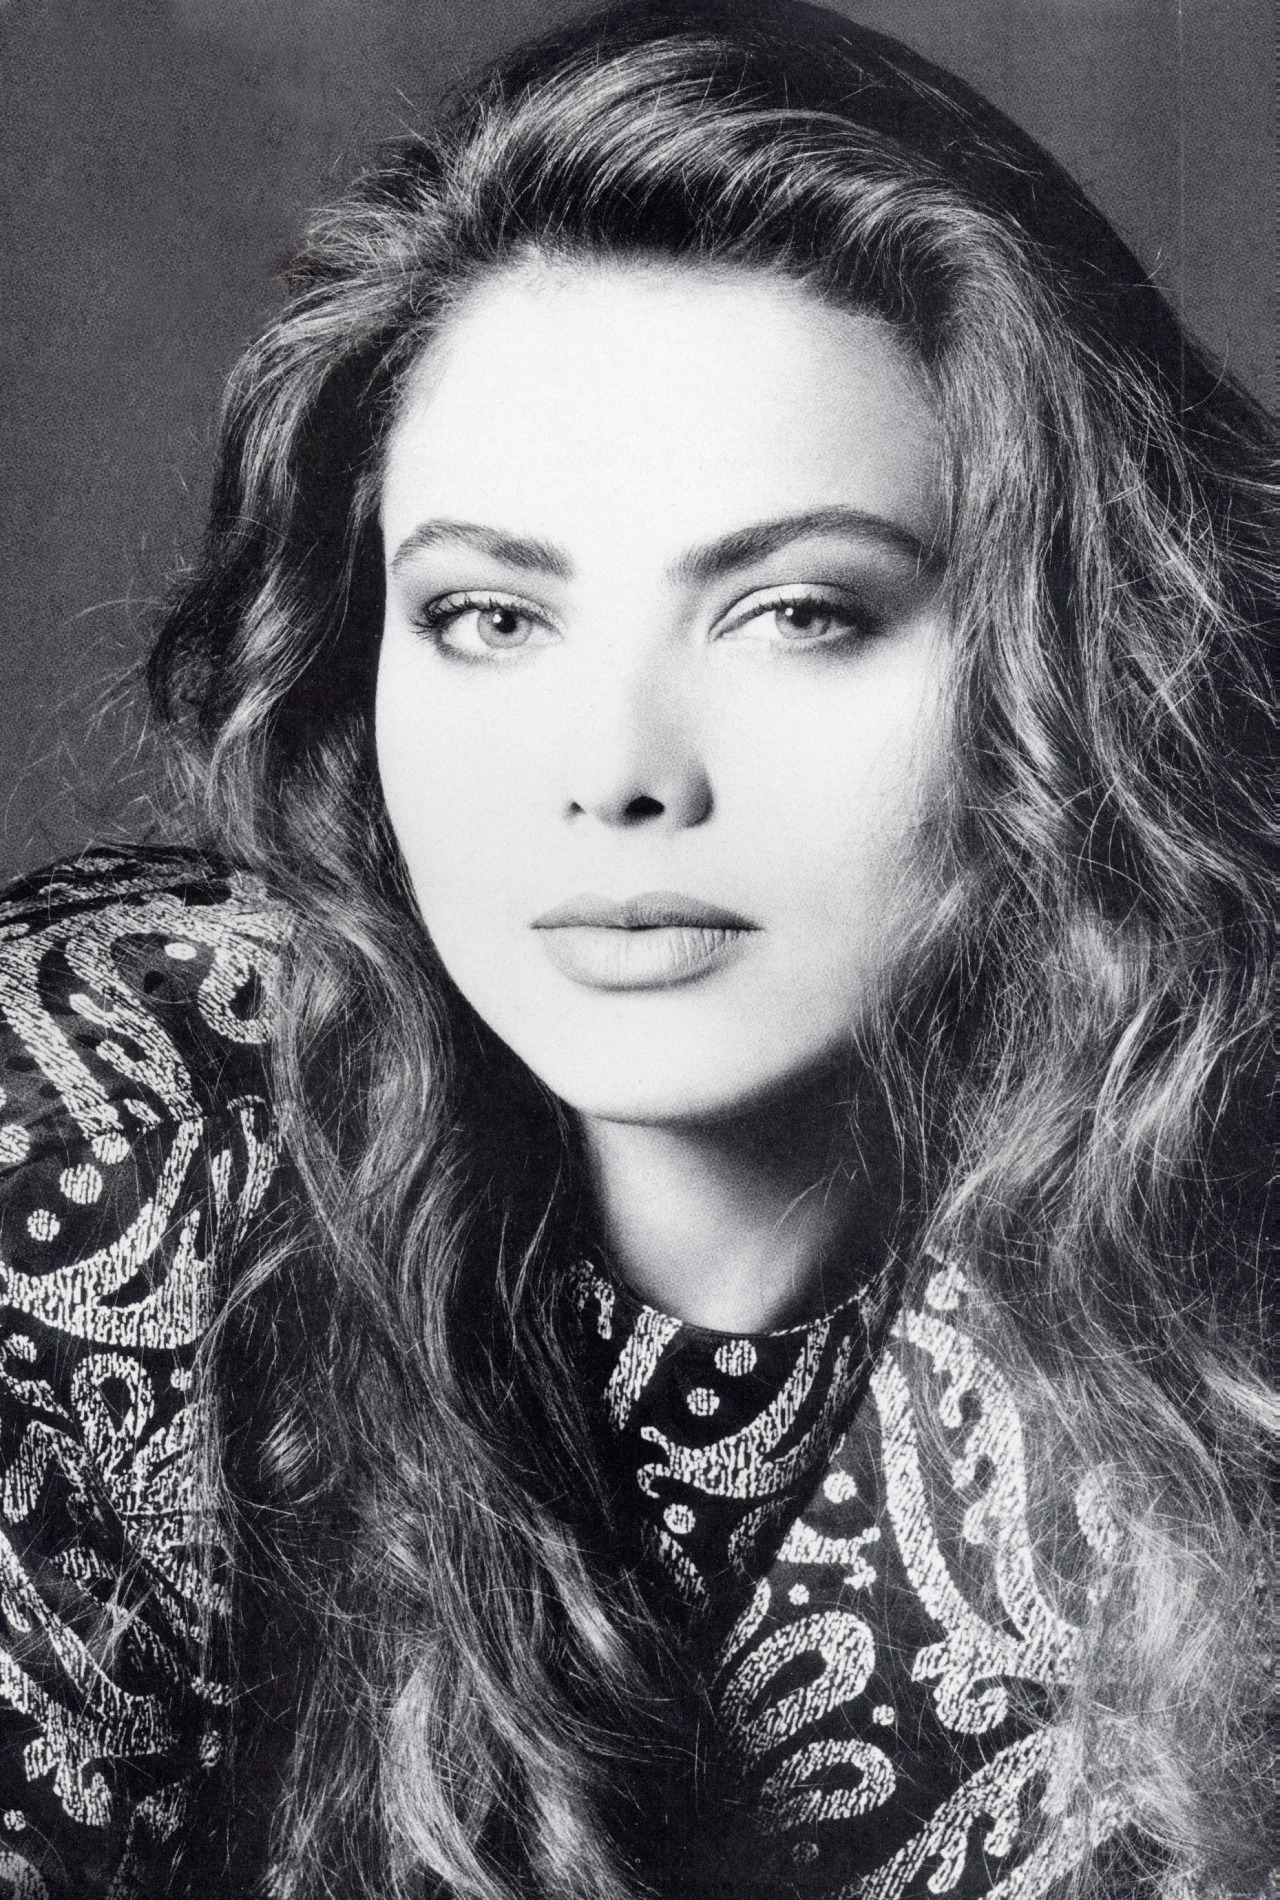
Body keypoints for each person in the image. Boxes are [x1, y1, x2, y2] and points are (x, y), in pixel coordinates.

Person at [0, 2, 1270, 1895]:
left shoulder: (1216, 1296)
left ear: (1074, 662)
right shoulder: (106, 1122)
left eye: (798, 611)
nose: (618, 775)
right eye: (490, 616)